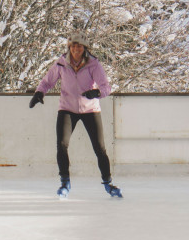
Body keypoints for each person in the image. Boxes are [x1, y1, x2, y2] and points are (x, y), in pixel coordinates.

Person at [29, 32, 122, 198]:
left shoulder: (94, 64)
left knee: (99, 148)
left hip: (90, 110)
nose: (76, 49)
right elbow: (47, 82)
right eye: (73, 46)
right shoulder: (62, 63)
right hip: (67, 108)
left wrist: (97, 93)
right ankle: (65, 182)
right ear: (69, 48)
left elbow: (106, 87)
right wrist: (39, 93)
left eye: (79, 46)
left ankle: (108, 183)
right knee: (62, 144)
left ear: (84, 48)